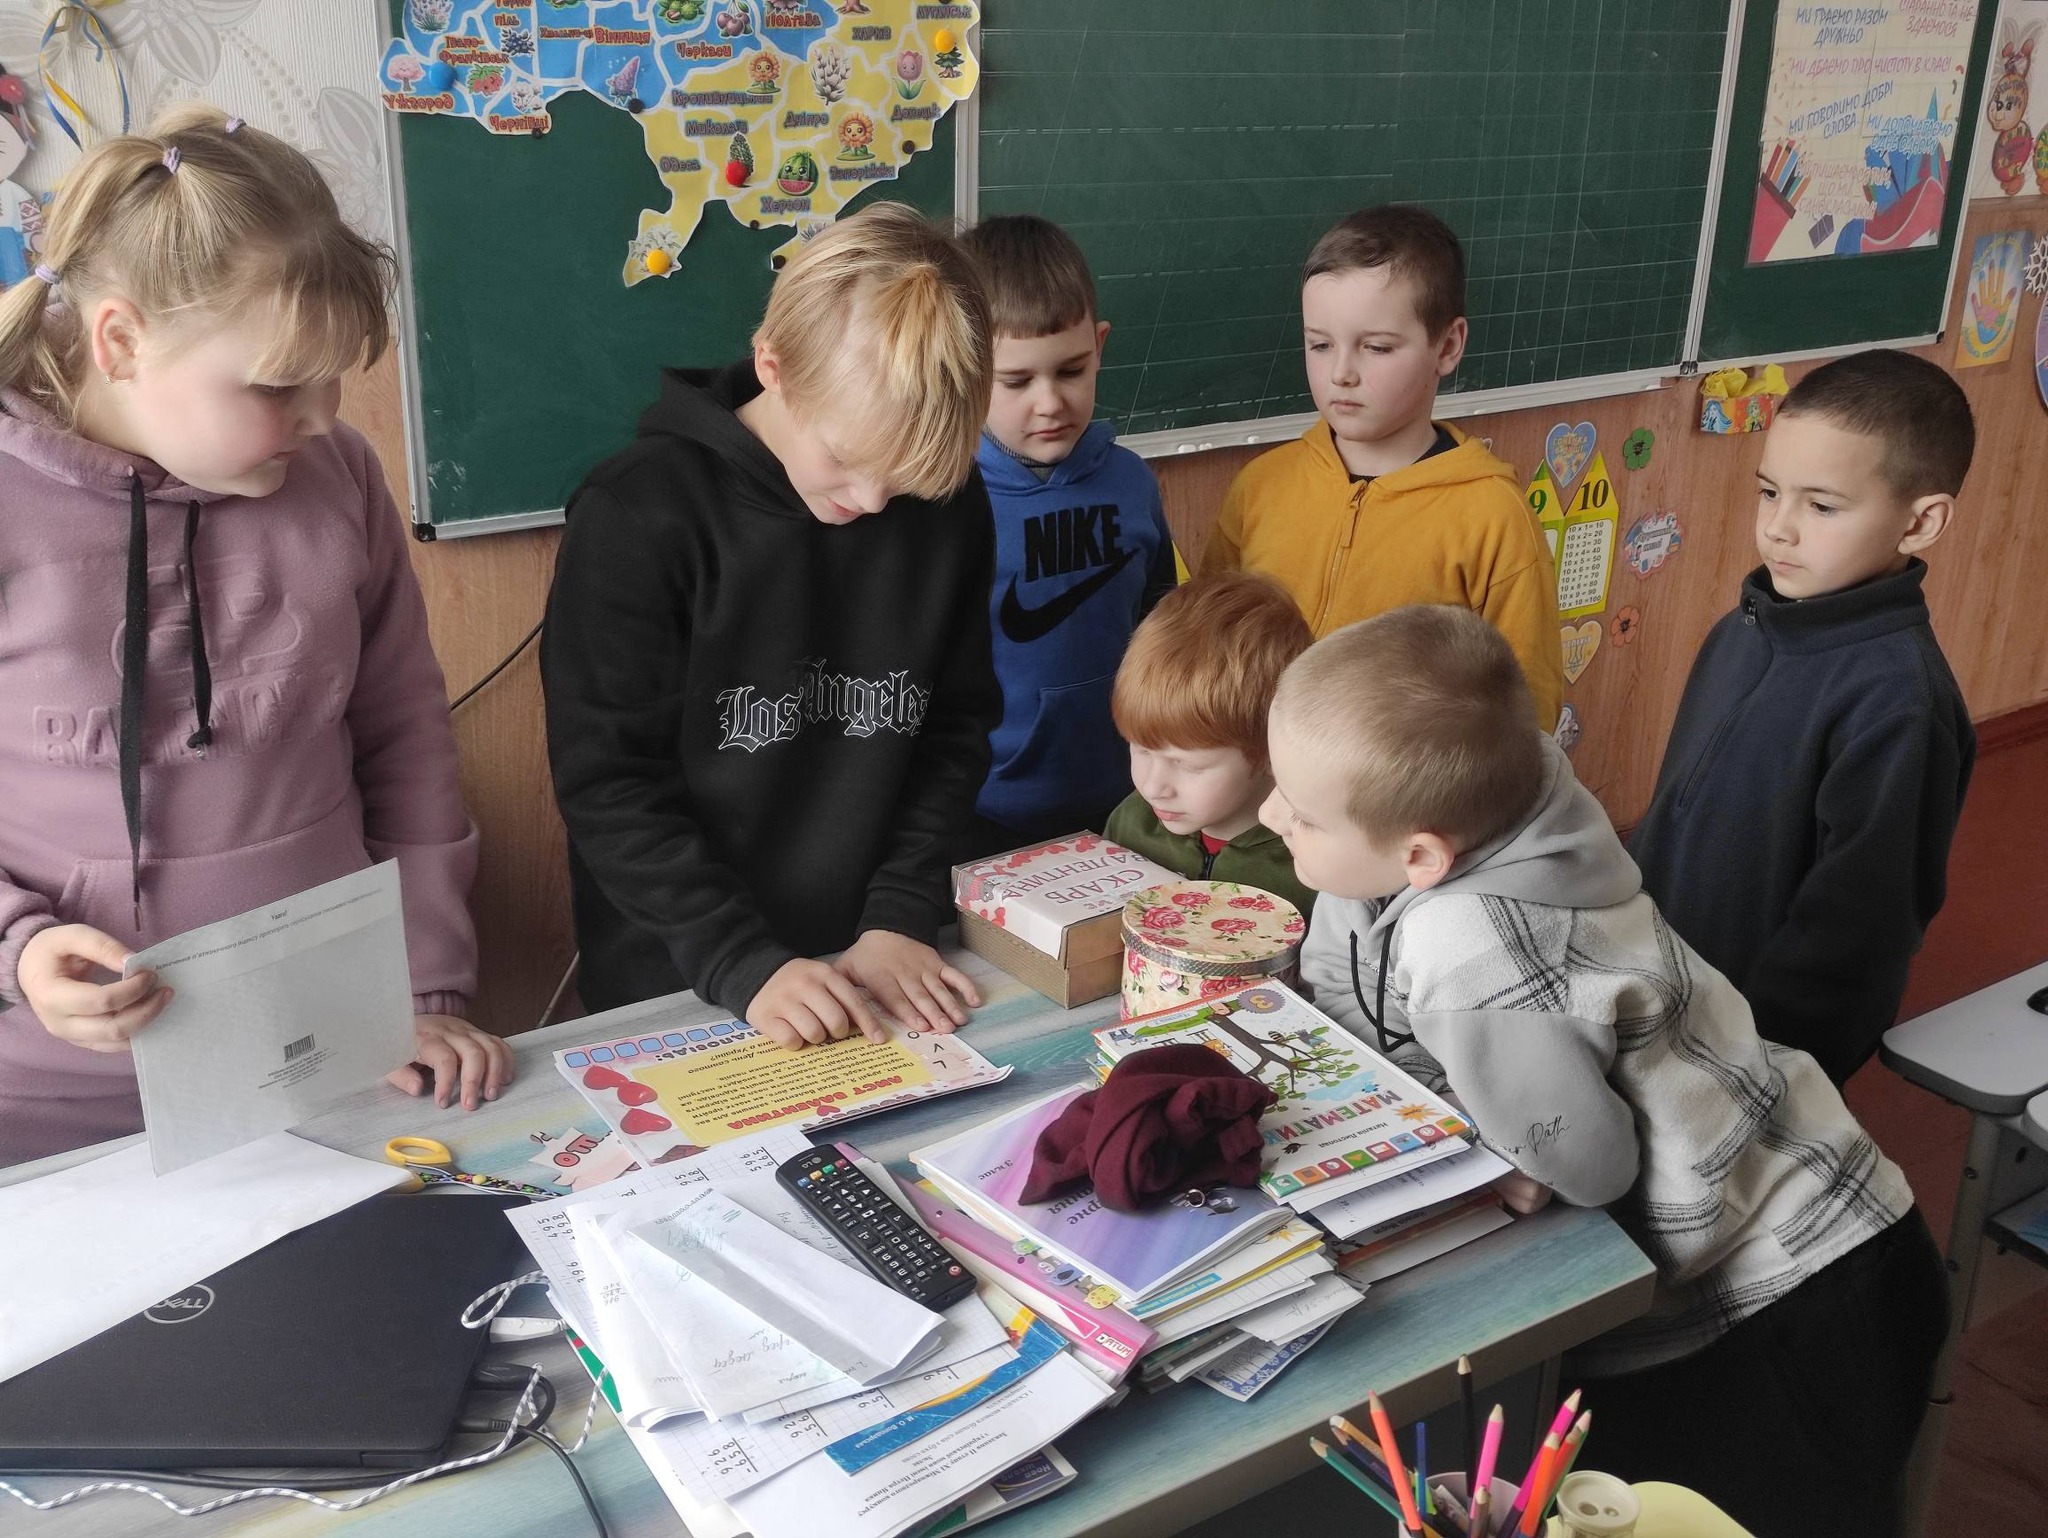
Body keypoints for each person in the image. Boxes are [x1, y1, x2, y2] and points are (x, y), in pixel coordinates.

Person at [1269, 604, 1945, 1537]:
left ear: (1421, 855)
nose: (1271, 816)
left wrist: (1511, 1155)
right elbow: (1351, 977)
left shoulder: (1471, 950)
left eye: (1301, 815)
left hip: (1796, 1292)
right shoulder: (1514, 796)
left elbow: (1589, 1168)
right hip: (1807, 1219)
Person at [0, 106, 509, 1166]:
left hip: (323, 1059)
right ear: (121, 341)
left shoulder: (339, 475)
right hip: (45, 1102)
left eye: (335, 374)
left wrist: (420, 990)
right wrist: (19, 947)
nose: (322, 416)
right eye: (278, 385)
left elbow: (406, 738)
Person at [543, 203, 1001, 1051]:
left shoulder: (949, 505)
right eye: (846, 460)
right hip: (686, 975)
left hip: (878, 954)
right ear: (773, 365)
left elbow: (954, 729)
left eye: (905, 479)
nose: (872, 502)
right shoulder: (637, 516)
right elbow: (610, 782)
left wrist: (901, 910)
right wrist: (740, 961)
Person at [1630, 350, 1975, 1085]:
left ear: (1920, 522)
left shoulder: (1901, 706)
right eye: (1769, 492)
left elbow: (1857, 940)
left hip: (1745, 1066)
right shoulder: (1743, 628)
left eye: (1822, 506)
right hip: (1651, 1003)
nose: (1778, 529)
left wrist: (1756, 1074)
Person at [1199, 205, 1563, 726]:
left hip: (1408, 778)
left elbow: (1527, 713)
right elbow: (1208, 647)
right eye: (1320, 345)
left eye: (1376, 347)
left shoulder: (1493, 518)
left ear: (1448, 346)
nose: (1341, 373)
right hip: (1263, 772)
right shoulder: (1261, 486)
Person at [960, 214, 1177, 853]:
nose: (1050, 402)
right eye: (1017, 381)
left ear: (1099, 346)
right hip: (982, 813)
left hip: (1128, 805)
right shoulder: (946, 502)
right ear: (965, 366)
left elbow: (1163, 624)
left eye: (1072, 370)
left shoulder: (1133, 483)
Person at [1103, 572, 1315, 917]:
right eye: (1140, 749)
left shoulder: (1313, 865)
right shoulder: (1131, 825)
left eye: (1188, 765)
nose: (1153, 788)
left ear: (1271, 751)